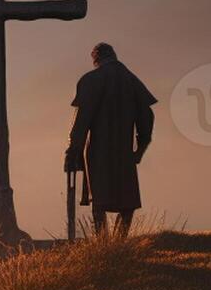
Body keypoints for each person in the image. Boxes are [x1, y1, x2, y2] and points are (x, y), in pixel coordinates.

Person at [64, 42, 156, 237]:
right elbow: (147, 118)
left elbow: (81, 121)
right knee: (127, 201)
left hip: (98, 150)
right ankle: (118, 243)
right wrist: (139, 150)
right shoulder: (131, 80)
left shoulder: (91, 80)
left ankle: (104, 244)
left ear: (96, 58)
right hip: (124, 151)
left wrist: (73, 149)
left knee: (99, 199)